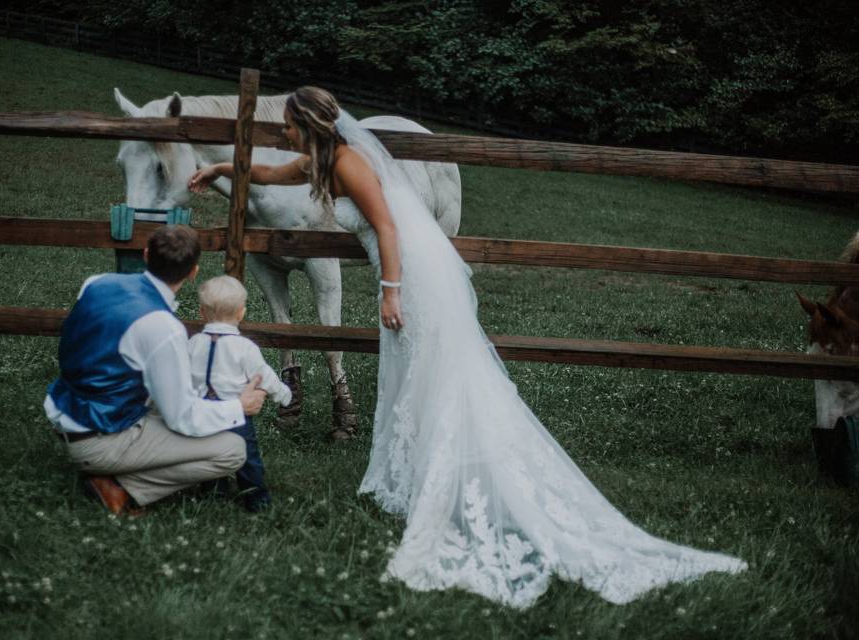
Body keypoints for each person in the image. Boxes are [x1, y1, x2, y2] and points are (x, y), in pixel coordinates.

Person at [187, 87, 747, 607]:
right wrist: (218, 167)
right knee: (416, 370)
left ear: (304, 124)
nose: (281, 133)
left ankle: (449, 470)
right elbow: (273, 172)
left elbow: (385, 225)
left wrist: (390, 291)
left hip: (411, 272)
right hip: (403, 269)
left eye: (286, 126)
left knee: (436, 367)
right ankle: (423, 466)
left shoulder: (350, 161)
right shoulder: (320, 159)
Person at [44, 225, 267, 515]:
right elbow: (182, 417)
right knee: (232, 450)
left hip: (67, 412)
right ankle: (123, 487)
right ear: (193, 272)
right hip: (99, 439)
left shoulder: (97, 282)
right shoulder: (164, 327)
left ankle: (112, 473)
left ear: (146, 255)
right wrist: (238, 406)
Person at [190, 275, 293, 510]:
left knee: (210, 453)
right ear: (241, 313)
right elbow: (263, 376)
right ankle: (256, 499)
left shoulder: (194, 343)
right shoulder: (245, 348)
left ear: (202, 313)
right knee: (248, 458)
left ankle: (213, 494)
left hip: (205, 411)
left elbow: (183, 375)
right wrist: (283, 394)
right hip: (237, 413)